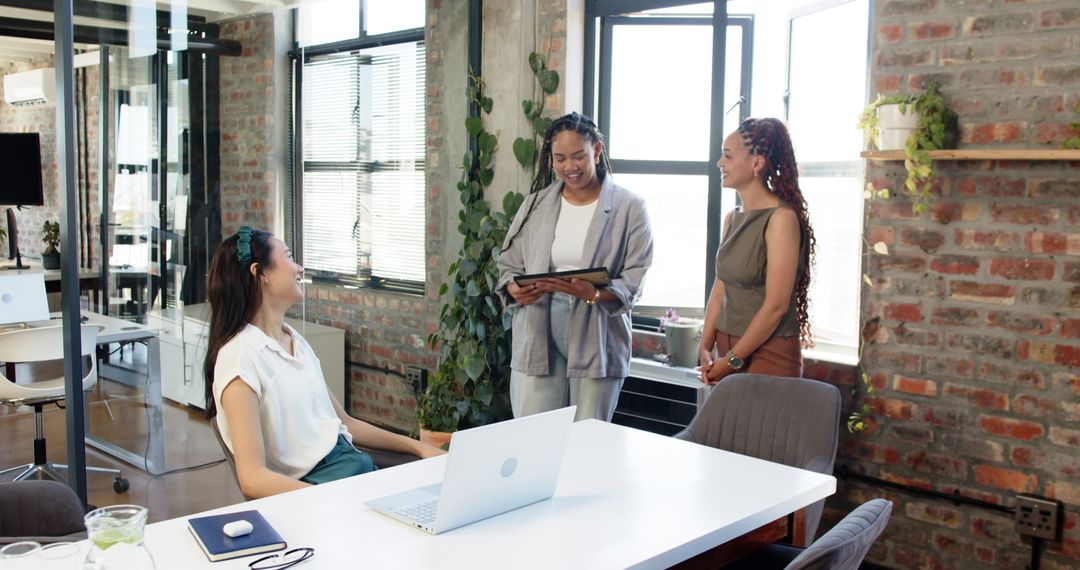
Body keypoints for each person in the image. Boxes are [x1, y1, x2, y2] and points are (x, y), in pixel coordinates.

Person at [203, 226, 444, 499]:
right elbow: (253, 478)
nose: (300, 268)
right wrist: (335, 501)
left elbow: (345, 423)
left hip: (357, 475)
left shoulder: (295, 342)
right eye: (289, 257)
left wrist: (419, 447)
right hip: (323, 496)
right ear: (261, 274)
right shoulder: (240, 358)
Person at [496, 112, 653, 422]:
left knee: (587, 440)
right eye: (560, 158)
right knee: (535, 436)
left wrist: (593, 294)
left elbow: (636, 274)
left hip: (597, 330)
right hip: (538, 326)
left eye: (578, 156)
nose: (570, 167)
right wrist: (515, 289)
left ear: (597, 150)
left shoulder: (630, 207)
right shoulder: (535, 205)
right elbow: (508, 263)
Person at [699, 117, 815, 385]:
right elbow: (721, 287)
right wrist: (705, 347)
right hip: (727, 352)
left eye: (728, 156)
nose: (720, 163)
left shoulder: (781, 219)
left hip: (769, 354)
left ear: (757, 163)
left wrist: (731, 361)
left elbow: (776, 306)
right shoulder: (733, 218)